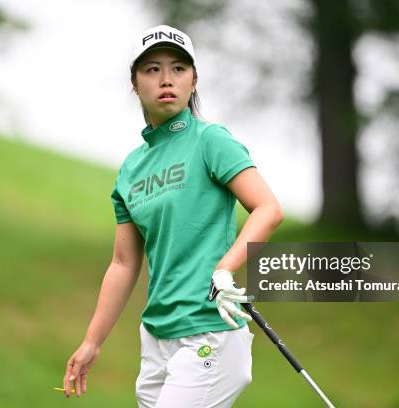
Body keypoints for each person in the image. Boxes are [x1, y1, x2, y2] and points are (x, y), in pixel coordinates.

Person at [63, 24, 283, 408]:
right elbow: (122, 263)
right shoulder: (131, 169)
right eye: (152, 69)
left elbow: (268, 209)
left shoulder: (210, 140)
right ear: (134, 84)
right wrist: (91, 342)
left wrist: (224, 270)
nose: (167, 79)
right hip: (157, 338)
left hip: (209, 331)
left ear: (194, 80)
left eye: (179, 68)